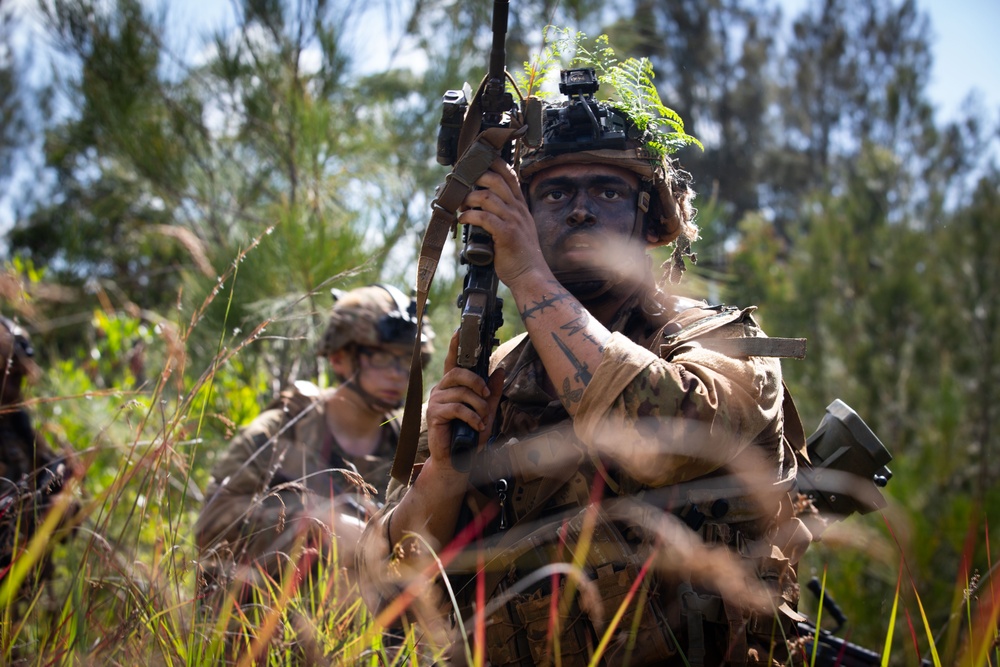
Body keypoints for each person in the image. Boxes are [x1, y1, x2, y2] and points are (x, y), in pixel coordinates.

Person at [357, 70, 815, 666]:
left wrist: (526, 275)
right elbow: (386, 586)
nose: (578, 211)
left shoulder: (721, 340)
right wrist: (442, 477)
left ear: (652, 223)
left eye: (606, 191)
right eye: (553, 194)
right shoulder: (493, 372)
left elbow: (676, 439)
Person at [195, 284, 433, 609]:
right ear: (339, 358)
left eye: (406, 360)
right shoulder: (285, 430)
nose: (397, 375)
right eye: (380, 357)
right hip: (265, 621)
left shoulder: (408, 443)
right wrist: (314, 526)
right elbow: (212, 523)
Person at [0, 315, 78, 591]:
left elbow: (66, 516)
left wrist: (64, 496)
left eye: (17, 377)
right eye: (3, 375)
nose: (11, 389)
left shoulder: (21, 430)